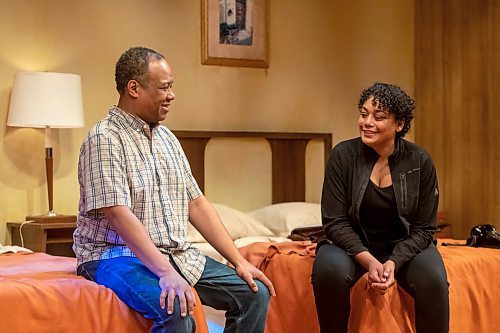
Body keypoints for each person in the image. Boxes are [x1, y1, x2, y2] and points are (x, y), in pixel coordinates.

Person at [73, 46, 275, 333]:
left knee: (254, 294)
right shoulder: (105, 139)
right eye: (164, 87)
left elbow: (196, 204)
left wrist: (238, 260)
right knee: (176, 308)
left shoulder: (167, 138)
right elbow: (118, 214)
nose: (172, 95)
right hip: (115, 256)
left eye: (172, 87)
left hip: (174, 252)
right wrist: (165, 272)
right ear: (134, 88)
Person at [312, 82, 449, 333]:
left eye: (379, 116)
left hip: (404, 245)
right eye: (364, 114)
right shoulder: (343, 155)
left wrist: (393, 262)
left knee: (434, 278)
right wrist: (369, 260)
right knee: (328, 270)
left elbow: (425, 228)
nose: (367, 122)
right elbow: (334, 221)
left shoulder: (420, 160)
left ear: (399, 124)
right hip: (350, 246)